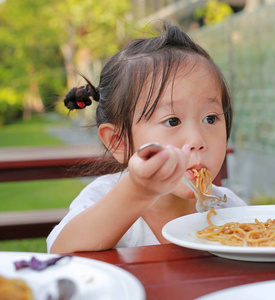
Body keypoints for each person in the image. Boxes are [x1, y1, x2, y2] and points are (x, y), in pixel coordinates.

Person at [47, 20, 247, 253]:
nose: (197, 140)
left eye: (210, 119)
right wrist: (138, 190)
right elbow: (61, 251)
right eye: (172, 121)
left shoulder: (228, 208)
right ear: (118, 141)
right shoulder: (105, 198)